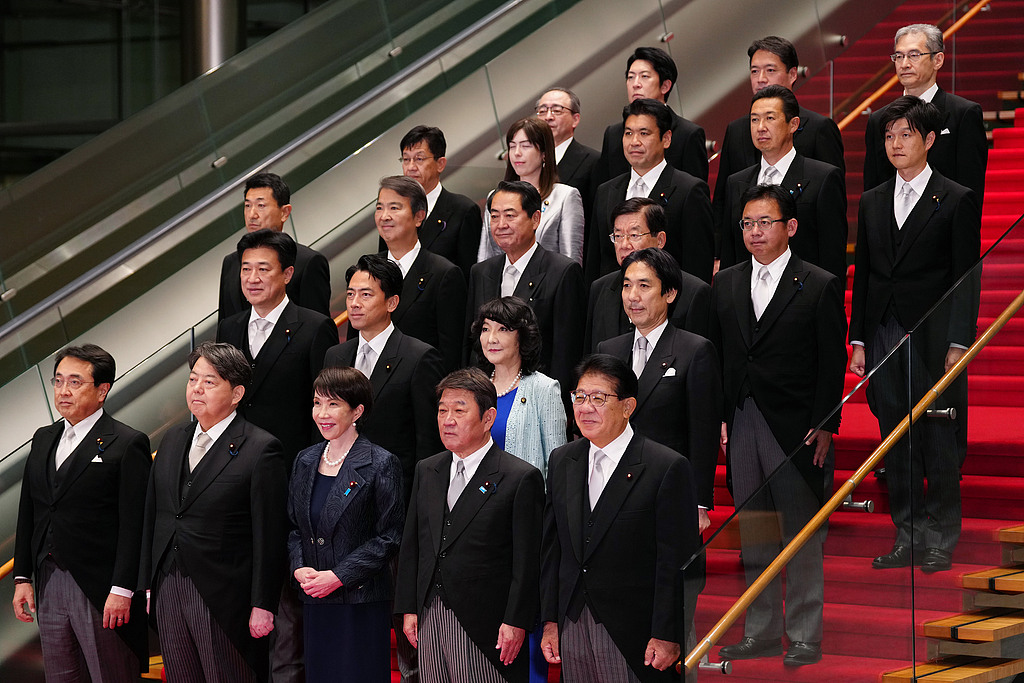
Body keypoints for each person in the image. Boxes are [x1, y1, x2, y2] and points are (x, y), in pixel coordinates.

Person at [710, 185, 847, 667]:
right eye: (747, 223)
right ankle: (761, 630)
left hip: (797, 426)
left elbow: (833, 362)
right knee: (755, 531)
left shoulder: (818, 282)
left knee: (801, 533)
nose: (754, 232)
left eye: (764, 222)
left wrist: (826, 424)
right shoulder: (724, 282)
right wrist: (722, 418)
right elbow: (723, 356)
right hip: (742, 419)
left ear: (789, 227)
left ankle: (805, 634)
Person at [850, 96, 980, 574]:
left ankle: (942, 537)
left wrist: (958, 343)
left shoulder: (957, 197)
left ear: (928, 140)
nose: (896, 143)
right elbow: (864, 273)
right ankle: (906, 534)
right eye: (888, 135)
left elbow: (966, 277)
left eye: (906, 134)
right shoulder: (872, 200)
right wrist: (859, 339)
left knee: (939, 438)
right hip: (884, 331)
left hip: (933, 336)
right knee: (895, 438)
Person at [541, 354, 699, 682]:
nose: (585, 408)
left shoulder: (665, 466)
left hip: (634, 633)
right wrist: (550, 620)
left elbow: (679, 563)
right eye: (579, 397)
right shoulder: (562, 460)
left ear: (628, 407)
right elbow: (552, 549)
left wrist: (668, 633)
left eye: (598, 398)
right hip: (572, 623)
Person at [324, 254, 445, 683]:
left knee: (403, 622)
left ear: (392, 301)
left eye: (366, 294)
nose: (354, 303)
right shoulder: (336, 354)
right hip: (340, 506)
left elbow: (427, 446)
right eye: (351, 294)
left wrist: (418, 509)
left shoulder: (418, 356)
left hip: (395, 506)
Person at [142, 341, 289, 683]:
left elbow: (269, 534)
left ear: (236, 393)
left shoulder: (260, 448)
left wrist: (263, 603)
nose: (196, 388)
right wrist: (147, 585)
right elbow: (156, 515)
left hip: (226, 593)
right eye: (193, 379)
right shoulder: (173, 438)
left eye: (209, 382)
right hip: (168, 584)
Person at [395, 368, 545, 683]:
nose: (447, 419)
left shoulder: (519, 477)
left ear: (488, 418)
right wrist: (408, 607)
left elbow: (528, 561)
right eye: (442, 410)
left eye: (459, 411)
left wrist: (516, 621)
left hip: (487, 626)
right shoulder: (428, 469)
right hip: (430, 614)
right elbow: (413, 545)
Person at [13, 344, 151, 682]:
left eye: (75, 382)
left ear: (102, 390)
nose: (63, 391)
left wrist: (123, 588)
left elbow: (136, 524)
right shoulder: (43, 438)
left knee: (110, 673)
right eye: (58, 381)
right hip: (48, 578)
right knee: (61, 675)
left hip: (101, 587)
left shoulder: (126, 442)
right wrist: (21, 577)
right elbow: (29, 508)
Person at [287, 367, 404, 683]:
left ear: (357, 411)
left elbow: (390, 537)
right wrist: (299, 568)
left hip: (360, 603)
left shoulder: (381, 463)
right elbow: (296, 527)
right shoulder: (305, 460)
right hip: (315, 599)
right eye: (317, 403)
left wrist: (339, 577)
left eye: (333, 404)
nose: (322, 413)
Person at [711, 35, 845, 245]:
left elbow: (832, 203)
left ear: (792, 74)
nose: (761, 78)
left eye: (770, 70)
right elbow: (722, 200)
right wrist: (718, 255)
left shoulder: (819, 128)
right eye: (754, 71)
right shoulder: (737, 129)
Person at [467, 180, 586, 404]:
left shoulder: (562, 272)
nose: (501, 224)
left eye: (510, 216)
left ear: (535, 219)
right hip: (486, 397)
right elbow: (472, 345)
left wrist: (559, 404)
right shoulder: (481, 272)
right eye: (494, 216)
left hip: (537, 398)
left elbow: (567, 351)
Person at [718, 85, 847, 280]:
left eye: (770, 118)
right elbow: (731, 255)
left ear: (793, 124)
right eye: (754, 120)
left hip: (803, 294)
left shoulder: (823, 178)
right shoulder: (736, 182)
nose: (760, 127)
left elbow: (832, 256)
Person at [587, 98, 714, 284]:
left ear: (666, 139)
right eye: (628, 133)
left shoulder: (689, 190)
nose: (634, 142)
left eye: (644, 133)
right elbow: (595, 263)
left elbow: (697, 268)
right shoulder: (606, 191)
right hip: (614, 304)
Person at [863, 24, 987, 204]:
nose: (904, 64)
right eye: (899, 56)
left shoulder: (964, 114)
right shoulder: (878, 119)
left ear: (938, 60)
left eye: (914, 55)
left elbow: (970, 188)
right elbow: (873, 190)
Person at [585, 198, 710, 352]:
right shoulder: (599, 288)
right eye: (618, 236)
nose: (624, 245)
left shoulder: (694, 291)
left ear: (660, 240)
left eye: (634, 235)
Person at [369, 175, 467, 372]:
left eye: (394, 208)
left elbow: (451, 352)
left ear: (419, 216)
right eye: (380, 207)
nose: (384, 216)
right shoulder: (367, 269)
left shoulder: (444, 274)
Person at [219, 172, 331, 323]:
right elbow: (224, 322)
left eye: (261, 206)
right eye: (247, 206)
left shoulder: (308, 262)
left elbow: (318, 326)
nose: (252, 214)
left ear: (284, 212)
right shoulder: (231, 262)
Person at [479, 116, 585, 265]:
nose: (517, 153)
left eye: (525, 146)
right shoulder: (495, 196)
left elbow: (571, 261)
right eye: (512, 146)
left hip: (547, 284)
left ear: (544, 153)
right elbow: (485, 255)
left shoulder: (565, 196)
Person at [597, 46, 708, 185]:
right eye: (630, 77)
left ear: (665, 86)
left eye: (644, 76)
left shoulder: (688, 134)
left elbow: (695, 191)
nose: (635, 84)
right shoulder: (613, 133)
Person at [389, 125, 483, 277]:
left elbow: (469, 275)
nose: (411, 167)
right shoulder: (391, 210)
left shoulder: (463, 210)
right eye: (406, 159)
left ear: (440, 164)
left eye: (419, 159)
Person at [537, 87, 600, 221]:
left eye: (557, 110)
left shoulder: (593, 161)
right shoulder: (527, 159)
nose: (548, 117)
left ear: (575, 119)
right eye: (542, 111)